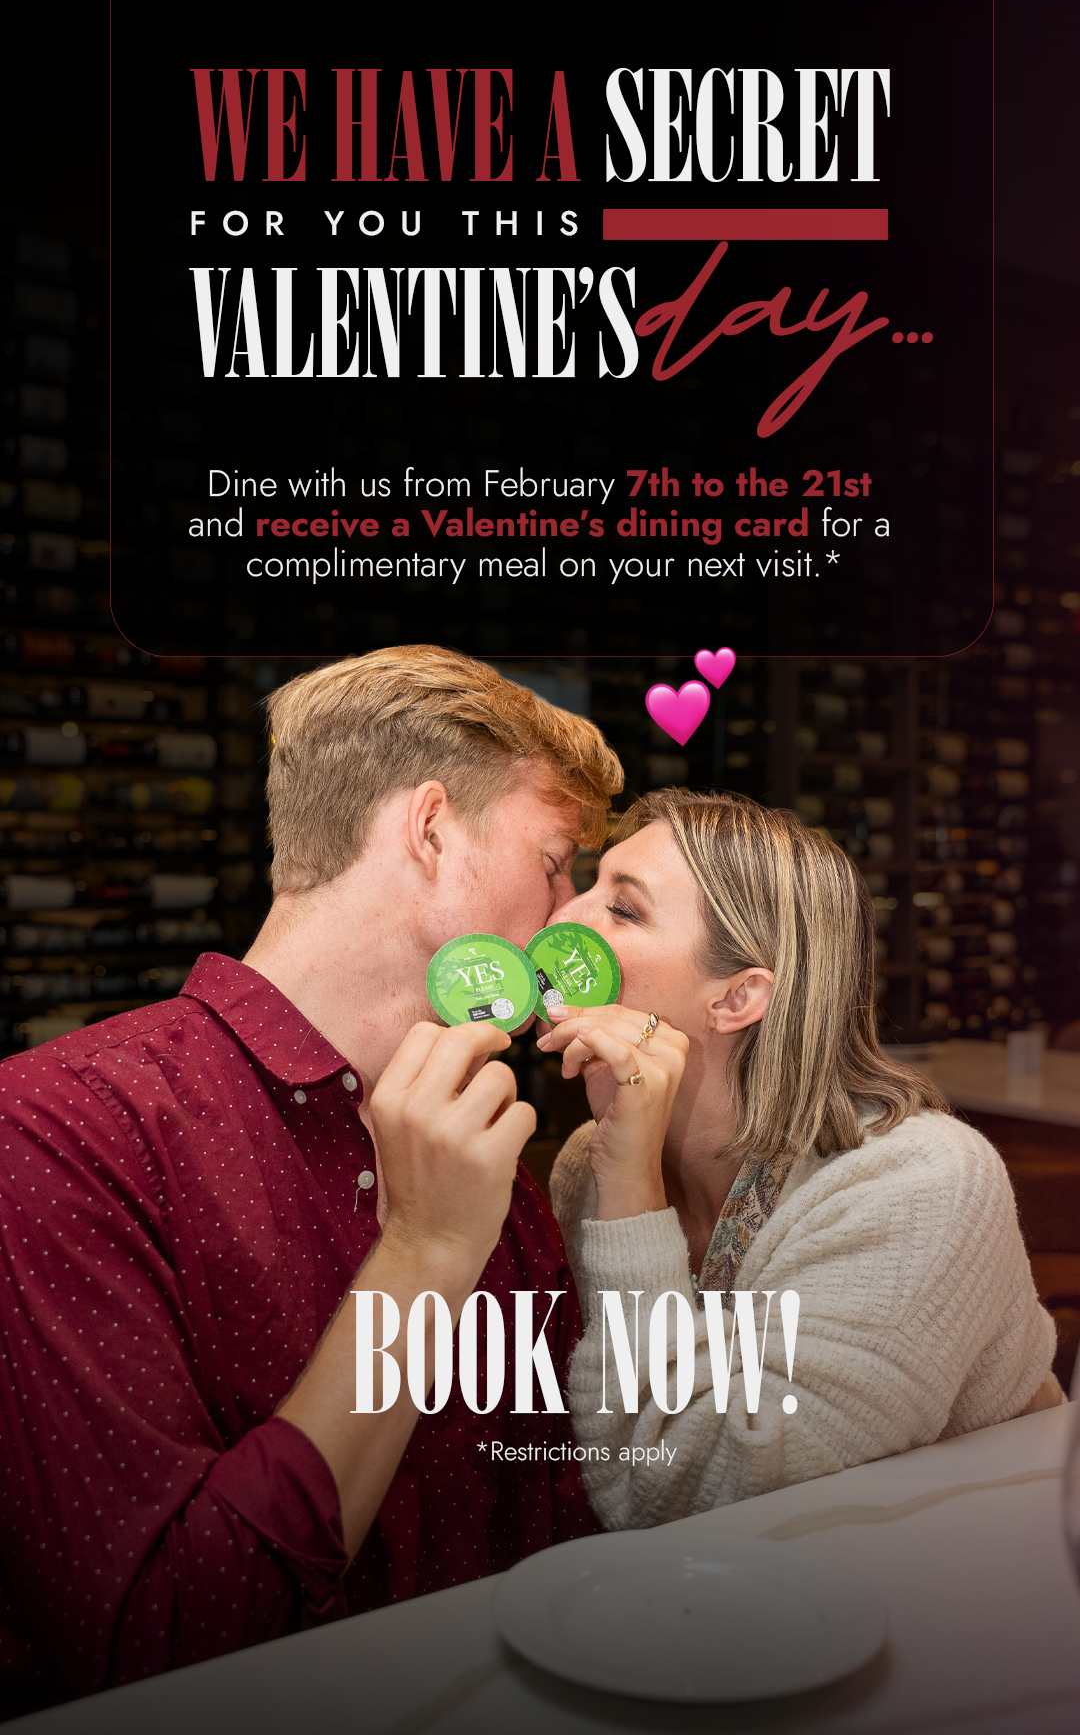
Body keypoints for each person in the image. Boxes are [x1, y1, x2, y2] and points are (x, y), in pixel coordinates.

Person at [0, 647, 622, 1716]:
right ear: (431, 831)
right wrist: (422, 1256)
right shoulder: (57, 1128)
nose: (570, 921)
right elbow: (169, 1645)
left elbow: (565, 1527)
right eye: (557, 862)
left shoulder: (492, 1155)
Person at [544, 788, 1063, 1531]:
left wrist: (628, 1187)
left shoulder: (918, 1185)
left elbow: (694, 1495)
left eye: (622, 910)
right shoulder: (584, 1169)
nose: (564, 918)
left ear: (736, 998)